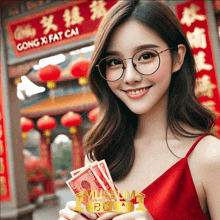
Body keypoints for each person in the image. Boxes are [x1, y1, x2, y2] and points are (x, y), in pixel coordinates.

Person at [59, 0, 220, 219]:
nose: (130, 77)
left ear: (177, 58)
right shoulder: (99, 154)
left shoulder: (210, 158)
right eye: (114, 61)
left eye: (146, 56)